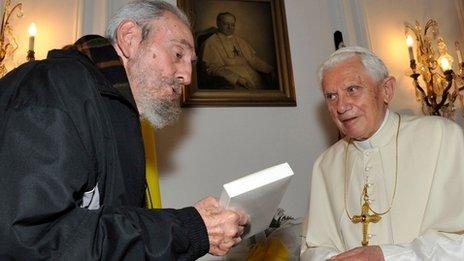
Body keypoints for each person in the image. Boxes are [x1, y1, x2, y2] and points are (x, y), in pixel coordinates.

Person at [0, 1, 249, 260]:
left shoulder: (113, 109)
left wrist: (195, 224)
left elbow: (109, 222)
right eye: (177, 54)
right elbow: (34, 241)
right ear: (130, 38)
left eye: (191, 63)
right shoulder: (51, 90)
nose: (187, 76)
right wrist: (189, 228)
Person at [300, 46, 464, 260]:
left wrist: (386, 255)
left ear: (386, 90)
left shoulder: (442, 137)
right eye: (331, 96)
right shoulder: (325, 165)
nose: (341, 106)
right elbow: (312, 248)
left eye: (352, 89)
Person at [201, 12, 274, 90]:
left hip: (253, 76)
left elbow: (253, 59)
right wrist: (237, 79)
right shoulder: (210, 42)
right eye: (226, 24)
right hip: (231, 81)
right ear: (218, 23)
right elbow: (213, 68)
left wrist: (269, 69)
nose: (230, 27)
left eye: (232, 25)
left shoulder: (240, 41)